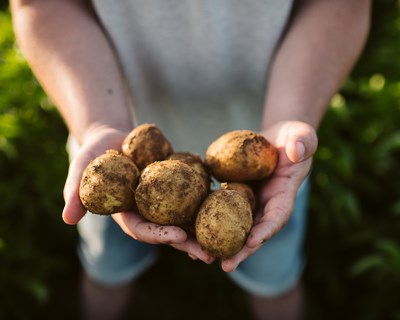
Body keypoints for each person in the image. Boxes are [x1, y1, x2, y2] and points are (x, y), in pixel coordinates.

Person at [10, 0, 371, 319]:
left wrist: (292, 113)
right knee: (105, 272)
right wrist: (97, 122)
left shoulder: (263, 171)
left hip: (275, 161)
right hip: (112, 136)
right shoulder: (124, 164)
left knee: (276, 280)